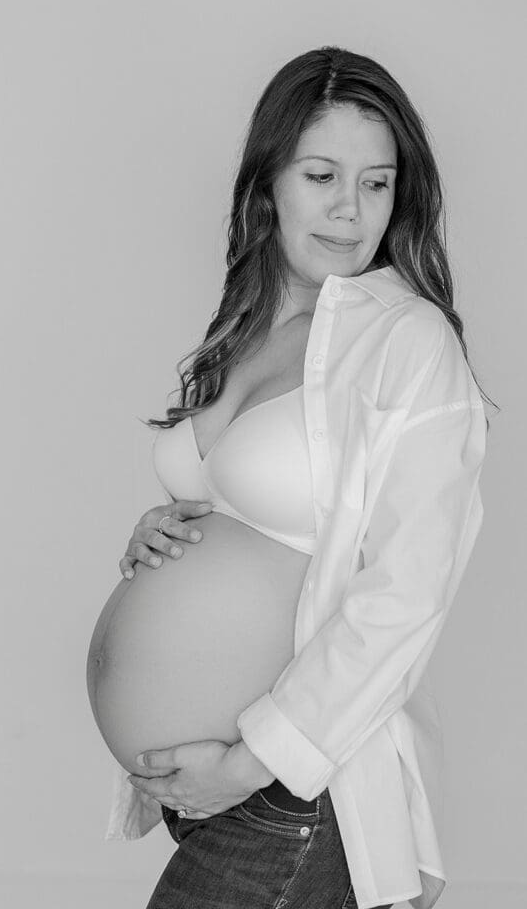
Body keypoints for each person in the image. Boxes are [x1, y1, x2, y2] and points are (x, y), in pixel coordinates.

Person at [105, 46, 495, 909]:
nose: (349, 212)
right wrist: (166, 534)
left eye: (376, 182)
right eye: (321, 175)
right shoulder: (245, 327)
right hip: (213, 794)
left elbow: (405, 593)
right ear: (268, 181)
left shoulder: (405, 341)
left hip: (292, 792)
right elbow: (263, 523)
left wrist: (251, 766)